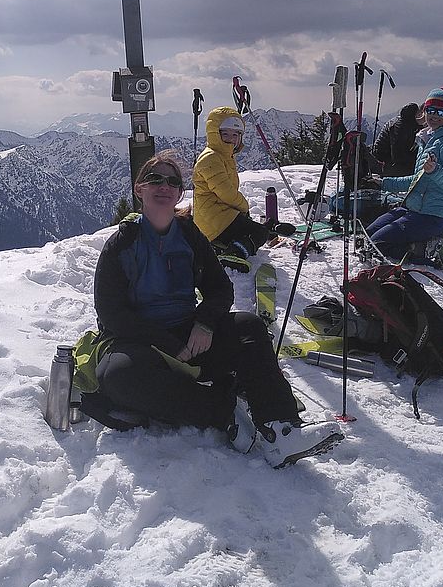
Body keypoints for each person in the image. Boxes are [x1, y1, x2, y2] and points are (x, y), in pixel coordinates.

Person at [91, 150, 344, 468]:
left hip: (190, 332)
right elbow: (111, 314)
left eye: (173, 181)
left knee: (249, 328)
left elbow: (219, 288)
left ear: (179, 193)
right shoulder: (122, 244)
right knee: (117, 377)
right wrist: (168, 345)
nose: (164, 185)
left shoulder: (188, 235)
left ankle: (281, 432)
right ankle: (222, 410)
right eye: (155, 178)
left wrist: (206, 323)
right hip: (141, 343)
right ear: (139, 189)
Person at [367, 88, 443, 261]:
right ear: (424, 111)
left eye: (441, 111)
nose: (434, 115)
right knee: (367, 235)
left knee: (378, 245)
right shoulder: (428, 139)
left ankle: (432, 251)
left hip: (434, 216)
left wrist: (435, 171)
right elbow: (417, 180)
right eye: (430, 110)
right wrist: (383, 183)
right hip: (413, 208)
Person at [192, 107, 268, 272]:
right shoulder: (211, 158)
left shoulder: (223, 156)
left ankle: (219, 245)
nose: (231, 139)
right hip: (213, 219)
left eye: (235, 135)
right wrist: (244, 207)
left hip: (217, 215)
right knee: (259, 233)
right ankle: (233, 254)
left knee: (251, 229)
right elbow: (226, 192)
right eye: (225, 134)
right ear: (215, 134)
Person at [371, 103, 423, 178]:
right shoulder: (400, 127)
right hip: (385, 163)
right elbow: (398, 156)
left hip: (388, 160)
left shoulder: (408, 123)